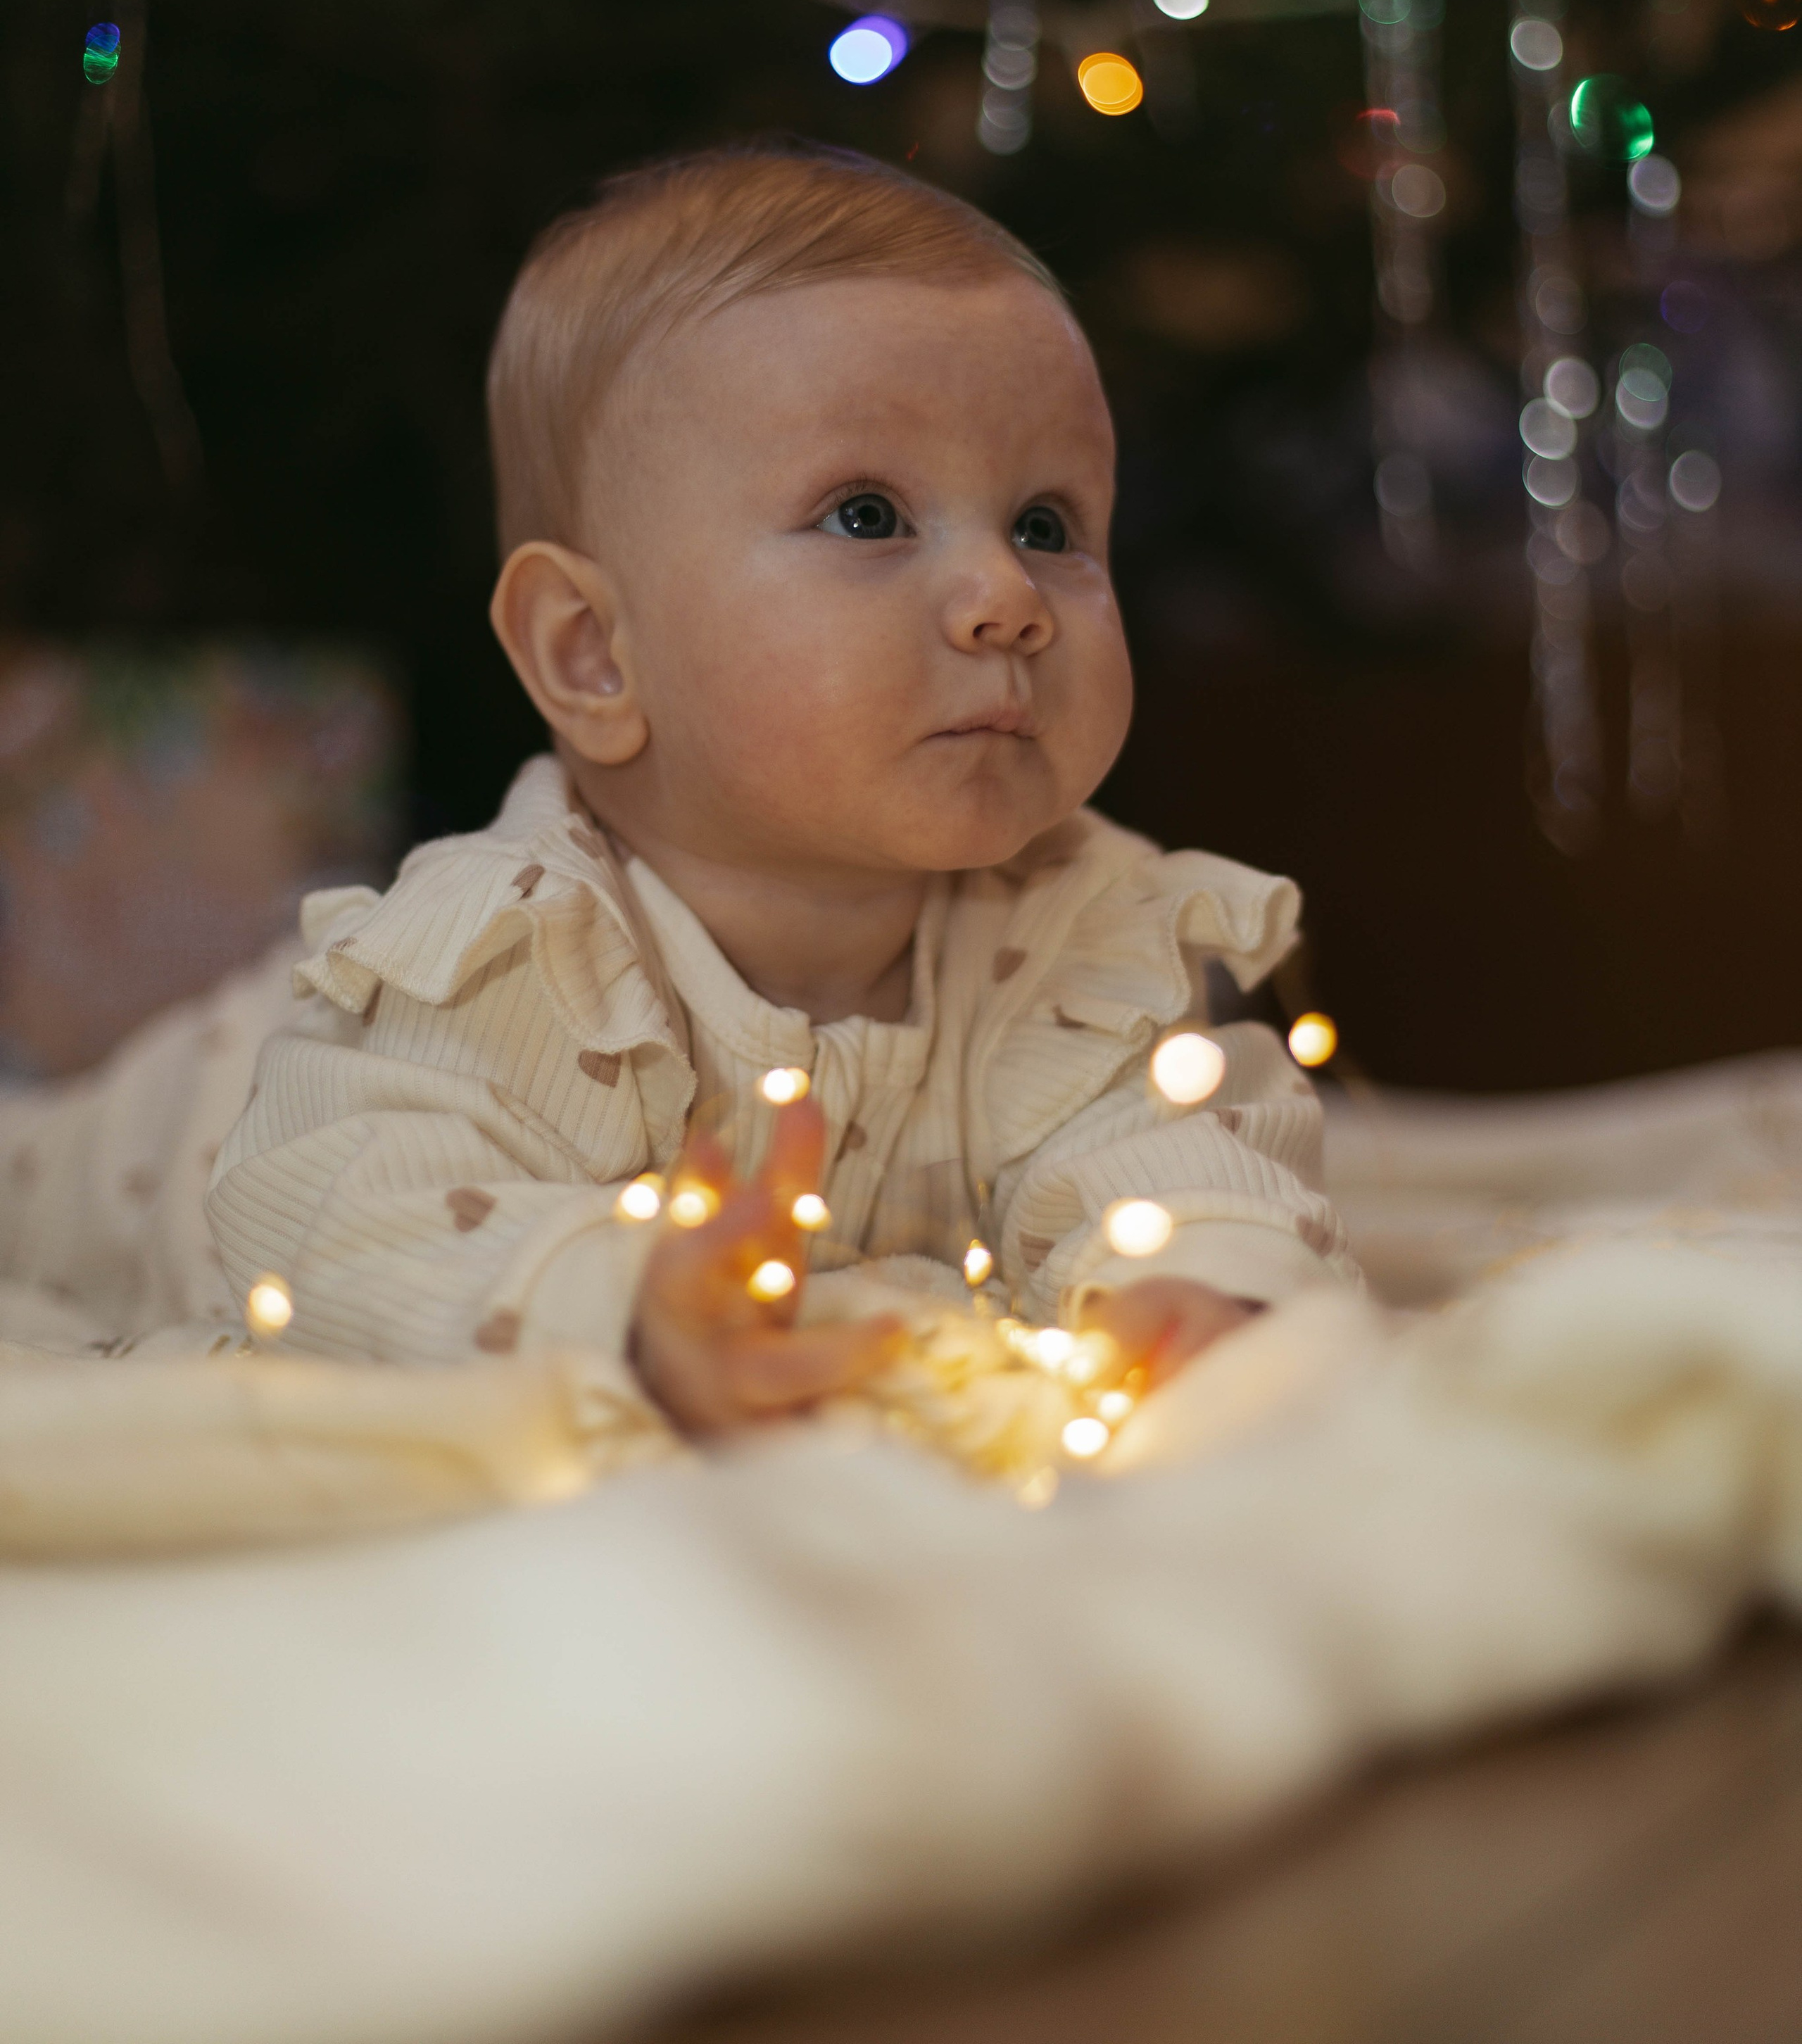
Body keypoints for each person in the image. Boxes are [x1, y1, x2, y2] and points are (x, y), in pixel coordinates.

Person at [207, 144, 1357, 1432]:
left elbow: (1185, 1159)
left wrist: (1203, 1288)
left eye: (1046, 525)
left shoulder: (1079, 931)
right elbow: (348, 1215)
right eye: (867, 515)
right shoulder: (500, 956)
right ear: (594, 654)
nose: (1008, 599)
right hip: (189, 1115)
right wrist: (617, 1310)